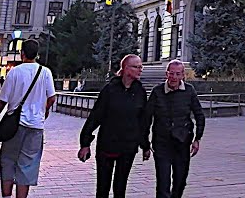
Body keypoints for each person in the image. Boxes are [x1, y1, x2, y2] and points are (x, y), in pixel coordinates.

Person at [79, 54, 149, 198]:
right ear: (126, 68)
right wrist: (85, 143)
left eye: (141, 67)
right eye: (137, 67)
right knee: (103, 188)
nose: (140, 70)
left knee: (120, 187)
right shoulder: (110, 89)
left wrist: (145, 145)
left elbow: (143, 122)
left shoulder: (140, 92)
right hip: (107, 145)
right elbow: (95, 117)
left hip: (128, 146)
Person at [0, 39, 56, 198]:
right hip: (36, 126)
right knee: (28, 164)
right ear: (37, 55)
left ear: (21, 53)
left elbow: (2, 100)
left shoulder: (14, 72)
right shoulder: (45, 72)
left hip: (15, 125)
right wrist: (44, 110)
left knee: (8, 159)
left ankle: (6, 195)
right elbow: (51, 98)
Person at [144, 59, 205, 198]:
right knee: (163, 182)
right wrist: (145, 144)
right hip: (162, 143)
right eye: (171, 74)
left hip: (182, 142)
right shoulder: (157, 91)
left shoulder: (189, 91)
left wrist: (197, 139)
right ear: (167, 74)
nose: (174, 77)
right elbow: (146, 118)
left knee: (180, 180)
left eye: (178, 74)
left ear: (183, 75)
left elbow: (199, 115)